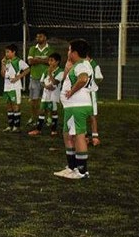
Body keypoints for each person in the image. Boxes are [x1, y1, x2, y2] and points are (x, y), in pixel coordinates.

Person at [53, 39, 93, 179]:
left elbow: (83, 79)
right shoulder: (77, 65)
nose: (68, 52)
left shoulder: (82, 65)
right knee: (68, 135)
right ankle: (72, 167)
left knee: (78, 136)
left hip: (77, 106)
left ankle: (81, 171)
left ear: (75, 52)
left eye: (69, 50)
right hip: (72, 106)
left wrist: (72, 91)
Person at [28, 53, 63, 136]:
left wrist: (50, 74)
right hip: (45, 94)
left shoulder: (61, 71)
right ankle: (38, 129)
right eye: (49, 60)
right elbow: (41, 81)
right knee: (42, 110)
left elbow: (55, 82)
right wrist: (46, 86)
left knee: (54, 111)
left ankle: (54, 130)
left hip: (54, 95)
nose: (49, 62)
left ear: (57, 62)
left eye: (52, 60)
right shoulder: (46, 70)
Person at [1, 44, 30, 132]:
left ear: (13, 52)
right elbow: (3, 74)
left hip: (15, 87)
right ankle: (10, 126)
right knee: (9, 106)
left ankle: (16, 126)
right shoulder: (6, 62)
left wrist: (18, 77)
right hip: (6, 87)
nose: (6, 54)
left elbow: (27, 69)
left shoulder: (18, 61)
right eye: (5, 52)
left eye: (8, 52)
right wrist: (2, 65)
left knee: (16, 106)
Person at [27, 30, 54, 126]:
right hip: (34, 77)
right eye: (37, 37)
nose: (38, 38)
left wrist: (37, 59)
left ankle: (48, 117)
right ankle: (33, 118)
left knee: (47, 99)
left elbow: (51, 62)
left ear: (45, 38)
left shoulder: (51, 49)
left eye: (40, 36)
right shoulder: (32, 49)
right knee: (34, 100)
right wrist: (44, 60)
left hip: (47, 79)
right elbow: (30, 62)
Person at [85, 56, 104, 146]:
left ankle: (95, 137)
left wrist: (93, 83)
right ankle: (84, 136)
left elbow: (99, 78)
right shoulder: (81, 64)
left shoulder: (94, 65)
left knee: (93, 115)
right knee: (83, 114)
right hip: (82, 93)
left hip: (91, 93)